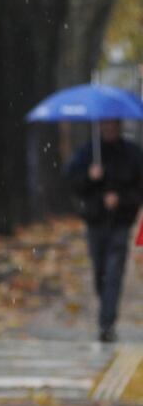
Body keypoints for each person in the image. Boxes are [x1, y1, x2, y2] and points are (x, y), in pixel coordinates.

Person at [64, 119, 143, 343]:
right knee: (100, 272)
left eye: (112, 124)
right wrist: (90, 176)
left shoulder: (132, 154)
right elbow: (72, 182)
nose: (109, 128)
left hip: (120, 223)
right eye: (105, 125)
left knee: (114, 272)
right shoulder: (88, 153)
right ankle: (106, 309)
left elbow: (139, 189)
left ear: (118, 126)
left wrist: (122, 200)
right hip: (95, 222)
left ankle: (107, 323)